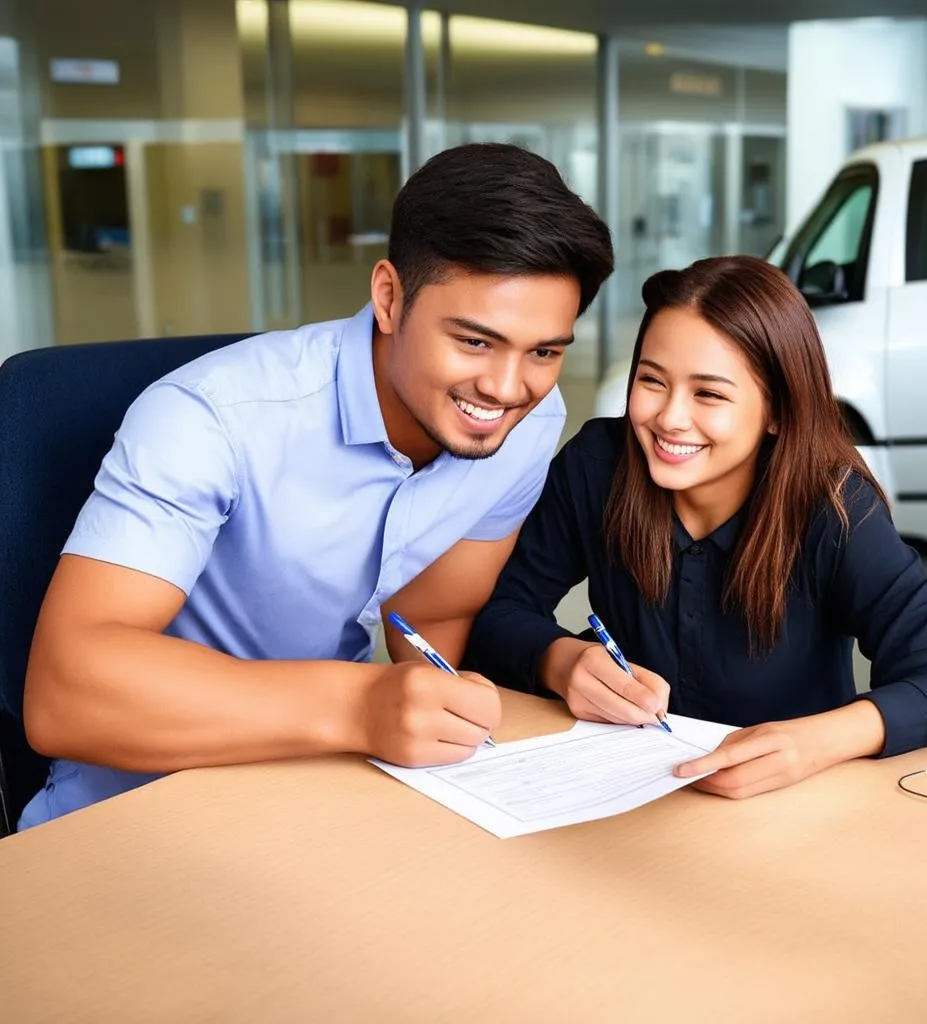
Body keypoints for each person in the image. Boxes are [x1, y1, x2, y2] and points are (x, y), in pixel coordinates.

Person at [20, 143, 614, 829]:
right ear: (389, 297)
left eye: (543, 351)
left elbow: (433, 614)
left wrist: (461, 731)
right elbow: (66, 694)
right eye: (475, 342)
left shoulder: (528, 423)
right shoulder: (211, 415)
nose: (508, 389)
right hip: (136, 811)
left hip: (334, 800)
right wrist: (363, 706)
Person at [465, 256, 927, 799]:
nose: (669, 418)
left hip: (792, 813)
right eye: (651, 380)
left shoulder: (834, 509)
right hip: (625, 795)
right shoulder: (599, 464)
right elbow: (498, 614)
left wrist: (813, 743)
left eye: (709, 394)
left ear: (778, 412)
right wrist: (563, 661)